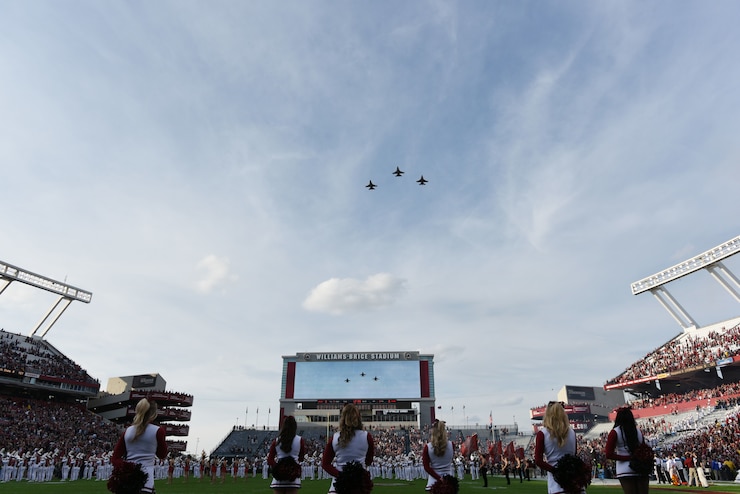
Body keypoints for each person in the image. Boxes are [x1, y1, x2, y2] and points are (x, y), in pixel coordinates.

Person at [112, 398, 168, 494]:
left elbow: (115, 457)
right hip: (146, 479)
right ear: (153, 414)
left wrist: (126, 468)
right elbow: (162, 455)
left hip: (127, 479)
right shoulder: (158, 431)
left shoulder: (128, 431)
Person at [321, 404, 375, 493]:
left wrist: (341, 475)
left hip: (338, 486)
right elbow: (368, 461)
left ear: (343, 418)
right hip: (358, 485)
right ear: (358, 418)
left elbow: (325, 464)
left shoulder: (335, 437)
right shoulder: (367, 436)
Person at [534, 401, 584, 494]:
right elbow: (574, 455)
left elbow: (538, 460)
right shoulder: (572, 432)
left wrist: (555, 470)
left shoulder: (542, 434)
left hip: (556, 484)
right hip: (575, 482)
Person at [604, 407, 650, 494]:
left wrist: (628, 458)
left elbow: (609, 454)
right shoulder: (638, 431)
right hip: (640, 467)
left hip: (624, 469)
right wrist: (637, 458)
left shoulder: (615, 432)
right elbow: (644, 450)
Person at [267, 415, 306, 494]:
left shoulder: (277, 440)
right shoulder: (300, 440)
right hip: (293, 475)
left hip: (279, 477)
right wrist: (293, 466)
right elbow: (301, 457)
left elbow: (270, 459)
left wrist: (278, 468)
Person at [422, 420, 454, 491]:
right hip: (449, 480)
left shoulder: (427, 447)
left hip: (433, 481)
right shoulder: (452, 445)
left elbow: (426, 467)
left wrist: (438, 478)